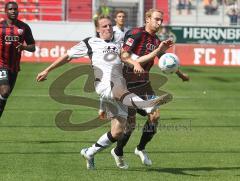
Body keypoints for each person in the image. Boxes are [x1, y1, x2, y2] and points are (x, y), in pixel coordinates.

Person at [36, 15, 173, 169]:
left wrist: (146, 57)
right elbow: (67, 57)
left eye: (109, 25)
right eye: (104, 26)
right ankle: (147, 105)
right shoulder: (90, 42)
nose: (108, 28)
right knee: (120, 83)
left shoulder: (119, 45)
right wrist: (47, 70)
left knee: (118, 132)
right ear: (97, 29)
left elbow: (131, 58)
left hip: (117, 91)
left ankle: (89, 152)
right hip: (105, 85)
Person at [111, 9, 189, 168]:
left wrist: (180, 74)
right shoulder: (135, 34)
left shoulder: (156, 39)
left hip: (144, 86)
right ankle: (118, 151)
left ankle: (140, 148)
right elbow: (123, 55)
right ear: (147, 19)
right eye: (156, 19)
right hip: (128, 84)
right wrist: (136, 64)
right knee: (130, 125)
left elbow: (163, 58)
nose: (159, 23)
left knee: (155, 116)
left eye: (161, 20)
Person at [0, 1, 35, 118]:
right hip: (1, 65)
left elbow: (33, 47)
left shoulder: (24, 27)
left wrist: (24, 47)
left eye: (15, 9)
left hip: (14, 68)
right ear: (5, 11)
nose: (13, 11)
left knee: (5, 95)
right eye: (10, 9)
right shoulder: (0, 27)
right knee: (4, 90)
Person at [98, 9, 129, 119]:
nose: (122, 18)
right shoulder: (112, 30)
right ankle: (104, 108)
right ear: (115, 19)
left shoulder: (127, 31)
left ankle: (108, 109)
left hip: (122, 59)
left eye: (123, 16)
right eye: (119, 16)